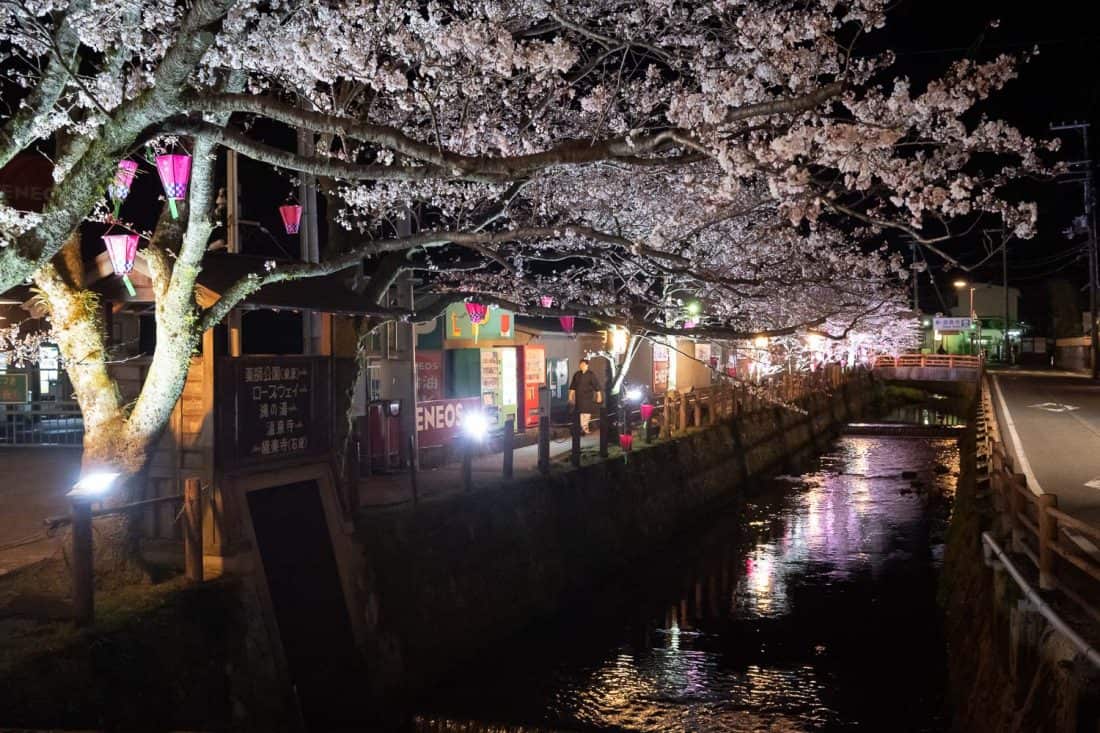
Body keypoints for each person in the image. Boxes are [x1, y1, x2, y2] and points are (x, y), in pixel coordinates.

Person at [568, 358, 601, 434]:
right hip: (579, 398)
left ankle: (585, 429)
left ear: (587, 365)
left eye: (583, 364)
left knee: (586, 413)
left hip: (588, 398)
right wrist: (570, 395)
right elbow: (573, 386)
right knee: (580, 413)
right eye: (581, 364)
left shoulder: (591, 374)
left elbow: (596, 386)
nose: (581, 366)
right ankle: (582, 429)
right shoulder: (577, 374)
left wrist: (599, 396)